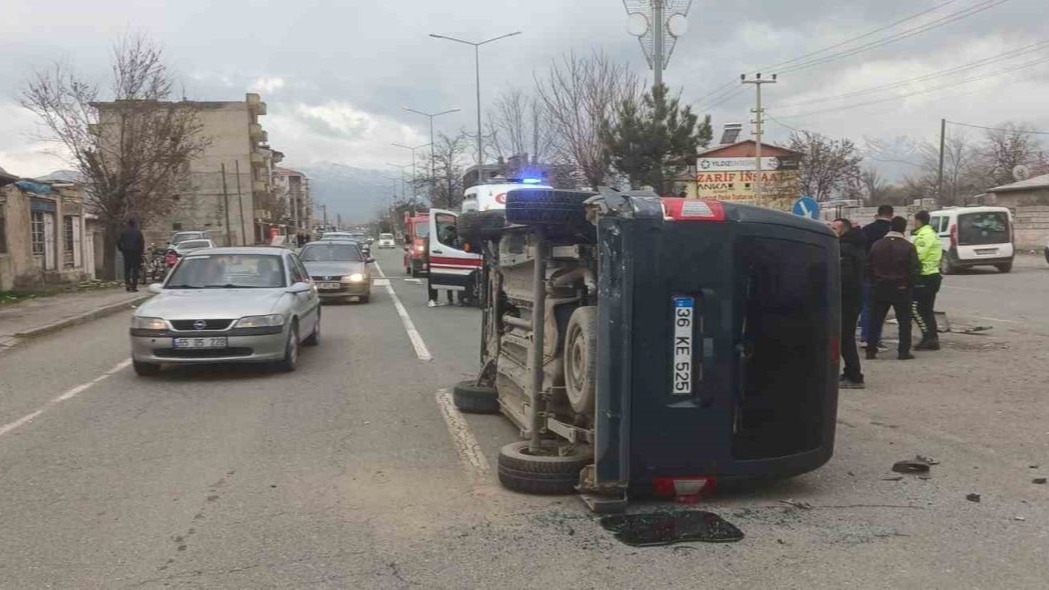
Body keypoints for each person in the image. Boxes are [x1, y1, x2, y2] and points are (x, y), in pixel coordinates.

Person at [866, 216, 921, 361]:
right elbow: (914, 269)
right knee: (904, 322)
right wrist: (910, 285)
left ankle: (871, 350)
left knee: (876, 320)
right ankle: (903, 352)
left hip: (879, 287)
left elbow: (869, 266)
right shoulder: (908, 247)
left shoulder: (877, 245)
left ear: (891, 227)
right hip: (901, 289)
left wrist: (874, 282)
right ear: (903, 229)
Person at [832, 218, 867, 388]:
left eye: (834, 228)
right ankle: (850, 371)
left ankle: (854, 376)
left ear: (843, 230)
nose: (831, 230)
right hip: (854, 298)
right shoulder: (855, 245)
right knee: (845, 337)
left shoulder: (843, 249)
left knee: (845, 338)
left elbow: (844, 279)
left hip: (847, 300)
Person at [860, 205, 894, 347]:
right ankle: (875, 339)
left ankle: (865, 337)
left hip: (867, 273)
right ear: (891, 215)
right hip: (886, 275)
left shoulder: (866, 230)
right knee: (879, 310)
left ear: (877, 214)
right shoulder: (891, 232)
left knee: (867, 307)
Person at [912, 210, 943, 351]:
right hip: (933, 275)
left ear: (919, 221)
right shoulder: (932, 233)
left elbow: (918, 256)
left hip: (925, 276)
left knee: (916, 309)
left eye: (914, 220)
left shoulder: (925, 235)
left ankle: (928, 337)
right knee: (927, 310)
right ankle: (932, 338)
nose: (913, 223)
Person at [117, 219, 145, 292]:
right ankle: (134, 286)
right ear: (135, 224)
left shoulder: (124, 232)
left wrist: (122, 249)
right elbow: (142, 243)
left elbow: (118, 241)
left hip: (126, 252)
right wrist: (141, 252)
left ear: (128, 224)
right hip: (136, 252)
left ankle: (127, 284)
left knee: (127, 269)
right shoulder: (138, 232)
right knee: (135, 269)